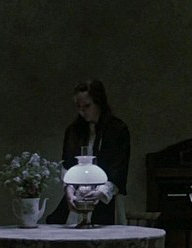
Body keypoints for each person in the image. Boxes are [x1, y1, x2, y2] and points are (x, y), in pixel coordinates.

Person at [46, 79, 130, 225]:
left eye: (87, 106)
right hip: (77, 197)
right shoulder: (74, 131)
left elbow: (119, 168)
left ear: (99, 103)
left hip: (106, 199)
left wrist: (101, 192)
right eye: (78, 106)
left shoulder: (117, 130)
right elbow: (67, 163)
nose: (82, 111)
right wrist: (69, 190)